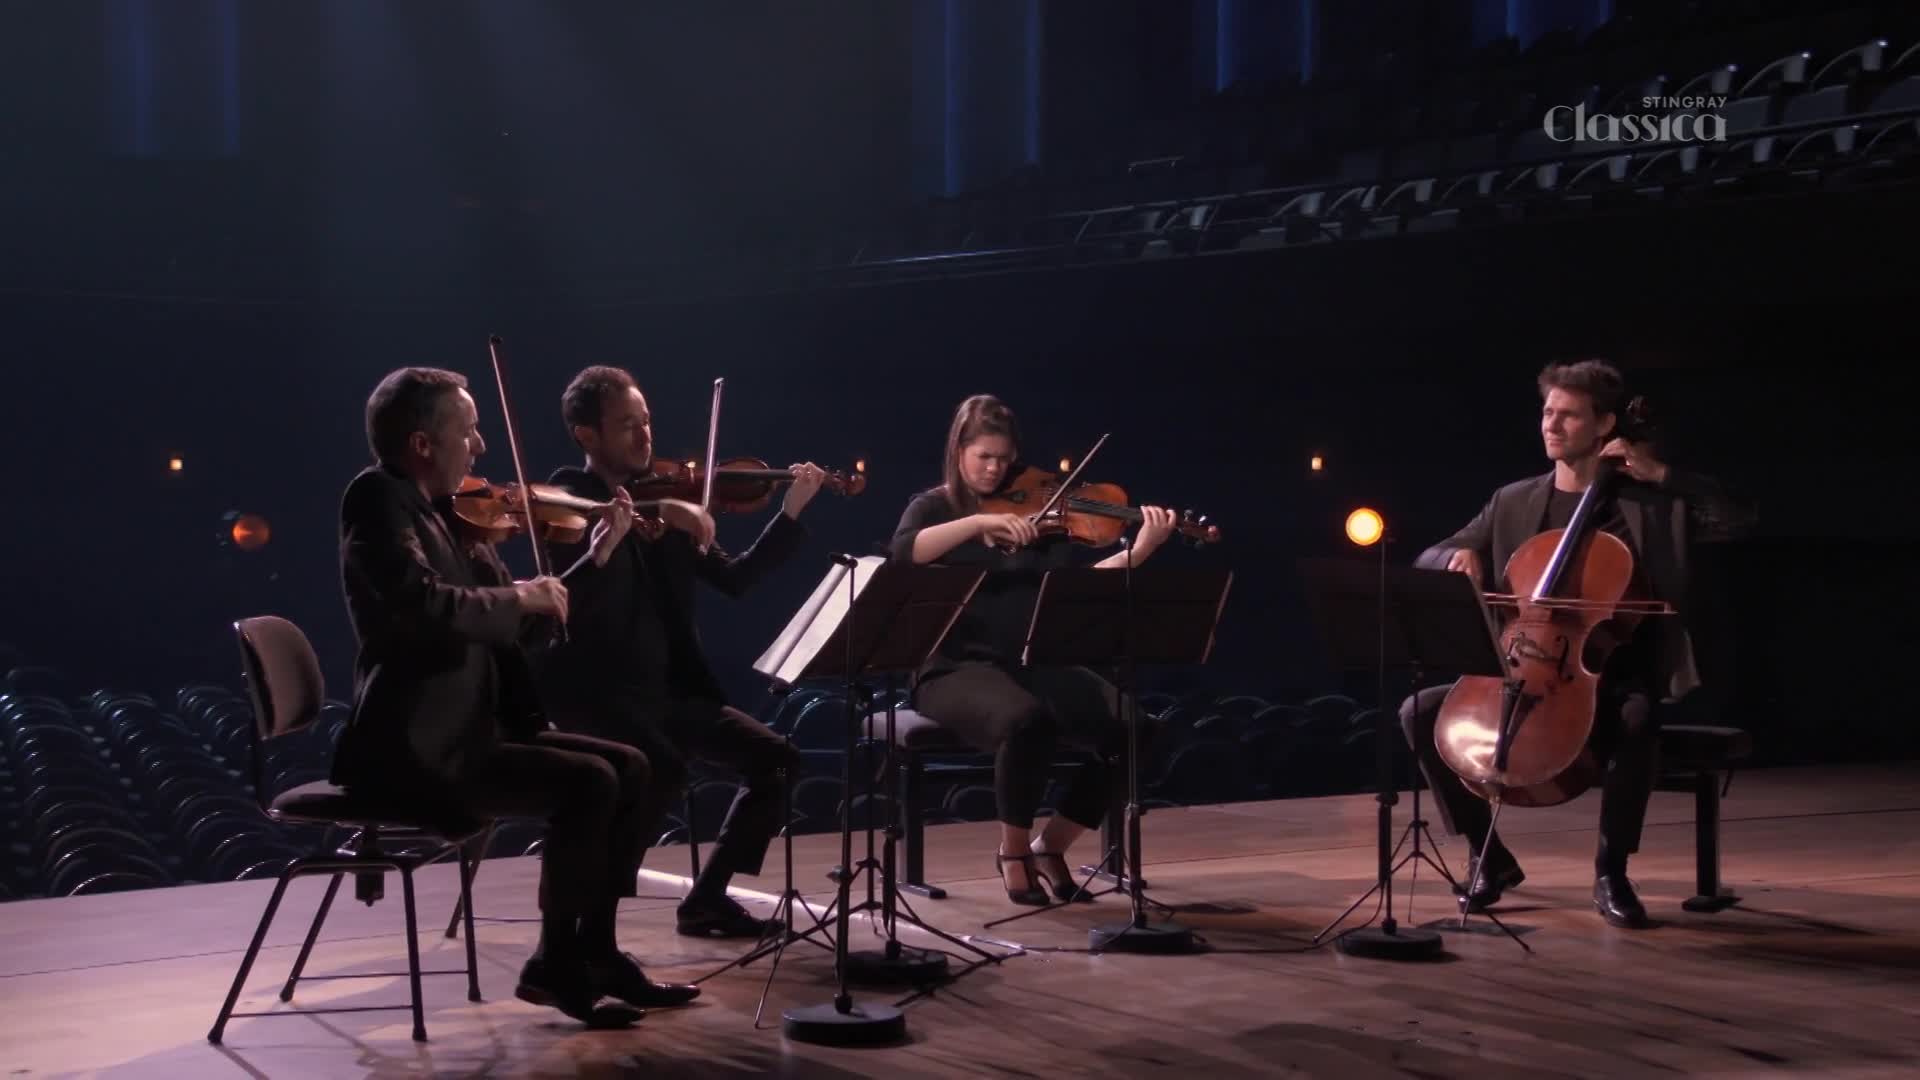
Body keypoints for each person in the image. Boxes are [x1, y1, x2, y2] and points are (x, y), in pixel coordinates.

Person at [332, 366, 698, 1027]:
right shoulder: (378, 499)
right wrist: (516, 596)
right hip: (418, 746)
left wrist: (590, 559)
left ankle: (596, 948)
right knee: (588, 783)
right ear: (422, 444)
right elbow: (421, 606)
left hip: (474, 731)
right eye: (469, 433)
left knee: (634, 768)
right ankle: (555, 964)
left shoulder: (449, 515)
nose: (480, 450)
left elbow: (523, 627)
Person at [1400, 359, 1755, 928]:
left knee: (1637, 721)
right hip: (1523, 666)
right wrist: (1453, 557)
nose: (1551, 425)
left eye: (1568, 415)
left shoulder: (1652, 502)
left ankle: (1611, 871)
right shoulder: (1514, 501)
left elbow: (1739, 520)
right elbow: (1431, 554)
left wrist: (1661, 474)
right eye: (1547, 412)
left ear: (1605, 424)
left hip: (1613, 673)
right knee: (1419, 712)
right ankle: (1488, 859)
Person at [532, 365, 818, 938]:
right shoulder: (566, 498)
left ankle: (707, 899)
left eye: (647, 422)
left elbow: (736, 580)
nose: (645, 438)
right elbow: (569, 586)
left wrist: (791, 514)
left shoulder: (668, 505)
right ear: (586, 436)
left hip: (666, 693)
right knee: (658, 770)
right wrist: (659, 512)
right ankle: (591, 932)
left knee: (778, 760)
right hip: (598, 693)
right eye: (626, 426)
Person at [889, 394, 1178, 906]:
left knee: (1137, 730)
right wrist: (979, 524)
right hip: (954, 667)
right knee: (1027, 720)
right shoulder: (934, 507)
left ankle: (1052, 845)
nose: (996, 469)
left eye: (1004, 458)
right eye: (985, 457)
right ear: (959, 450)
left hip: (1029, 661)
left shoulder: (1038, 507)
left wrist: (1140, 551)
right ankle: (1013, 851)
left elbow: (1082, 584)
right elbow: (903, 552)